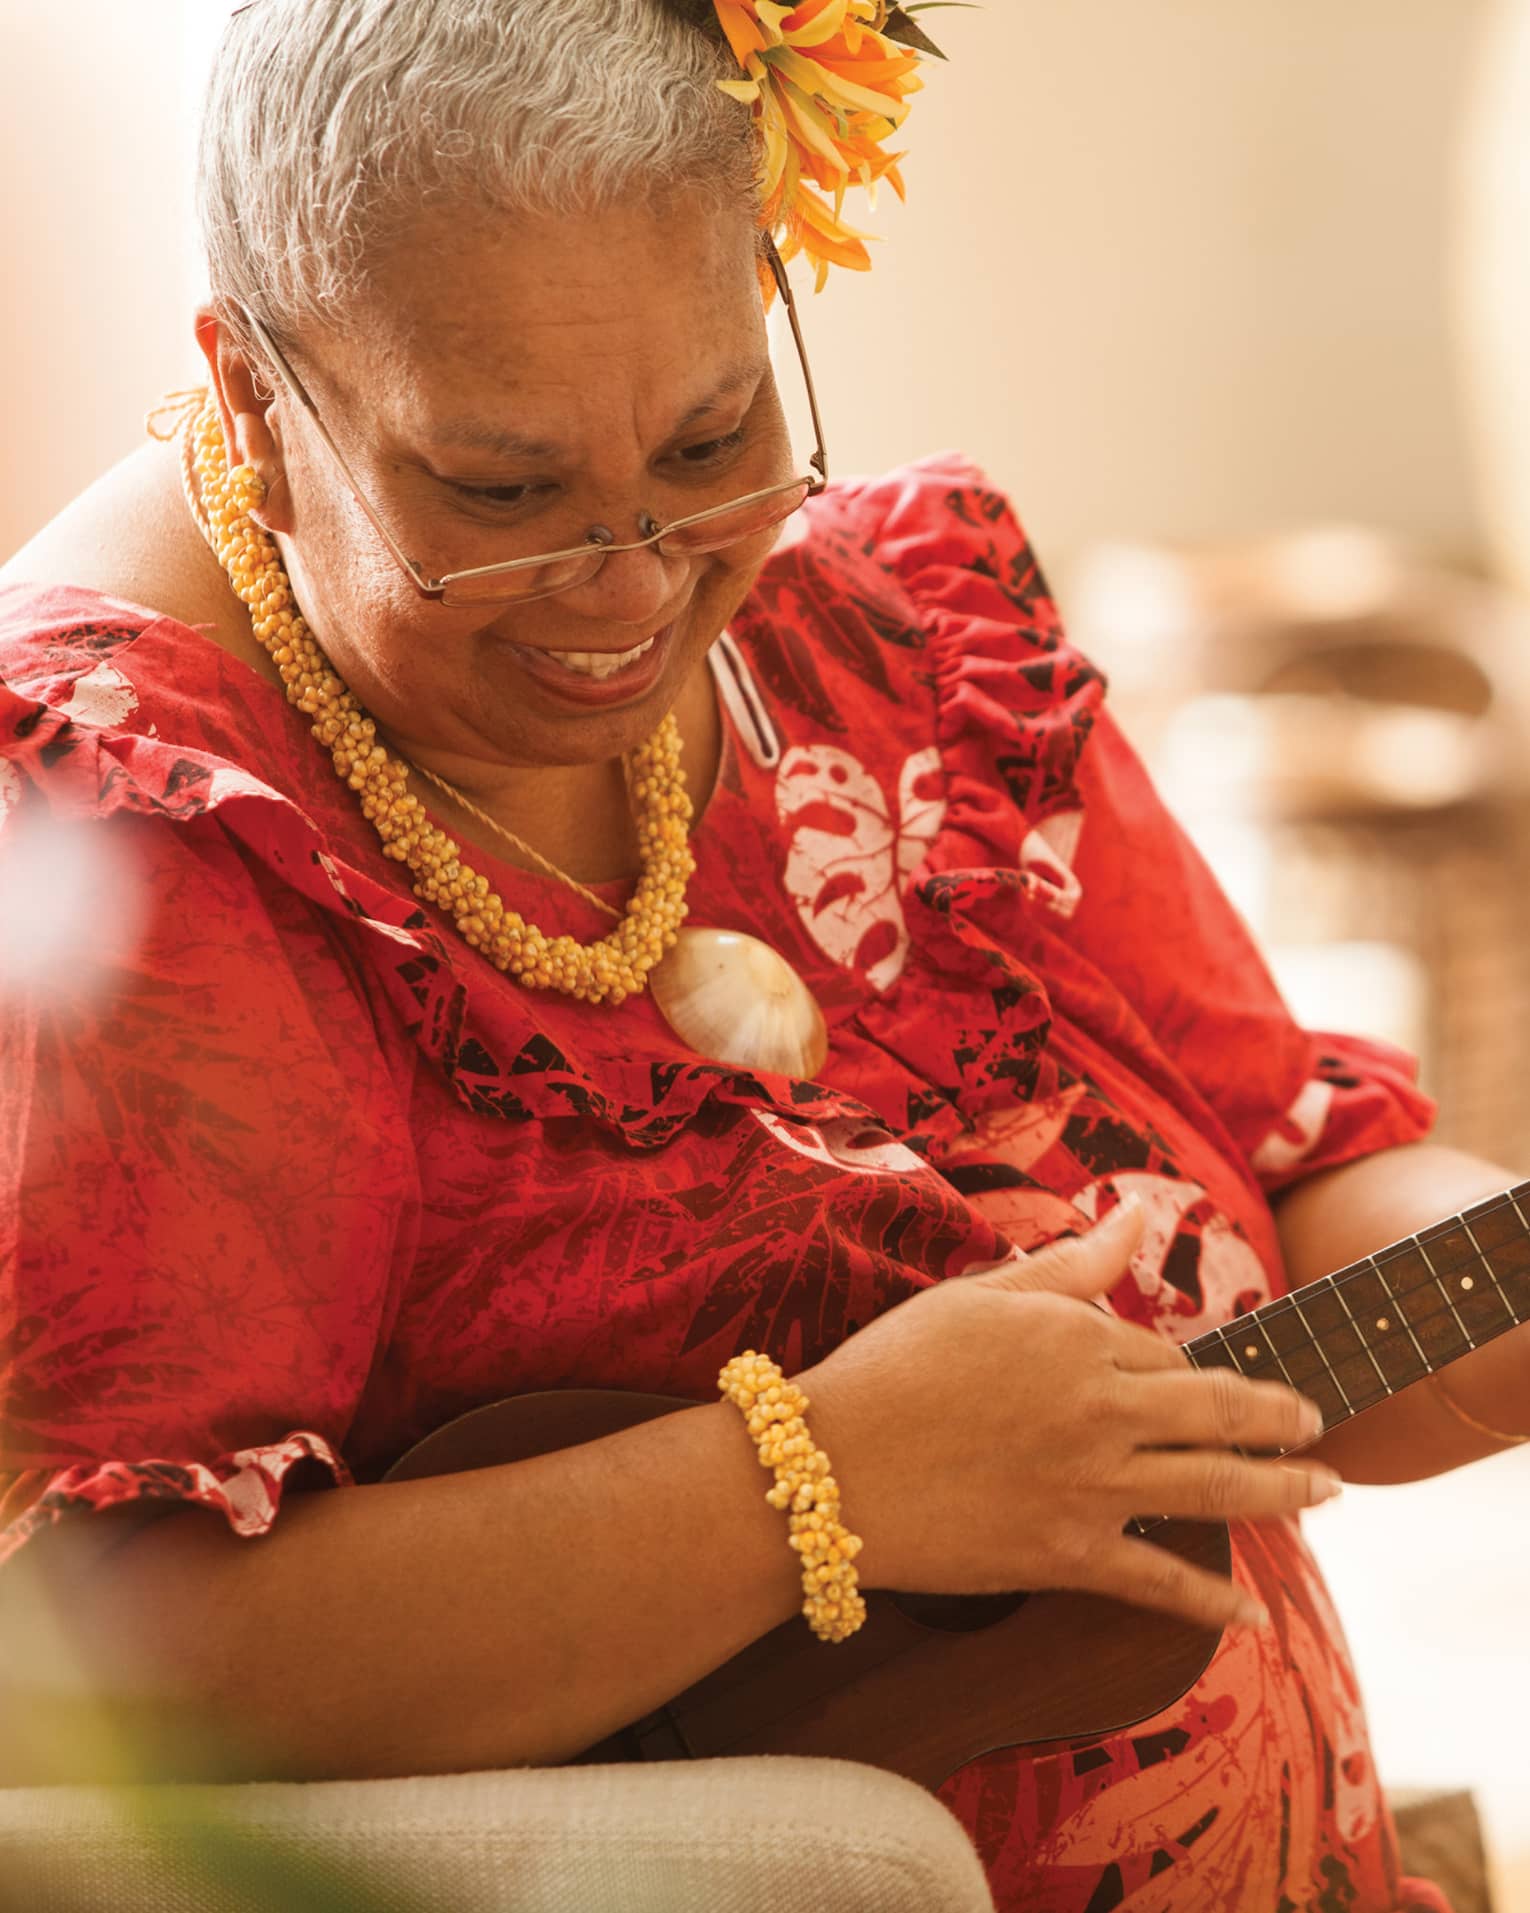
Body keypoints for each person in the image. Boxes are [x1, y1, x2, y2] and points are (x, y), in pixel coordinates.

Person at [0, 2, 1524, 1906]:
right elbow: (93, 1676)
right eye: (500, 491)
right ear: (247, 397)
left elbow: (1297, 1177)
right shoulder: (123, 845)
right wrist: (818, 1476)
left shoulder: (896, 636)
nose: (635, 583)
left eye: (712, 433)